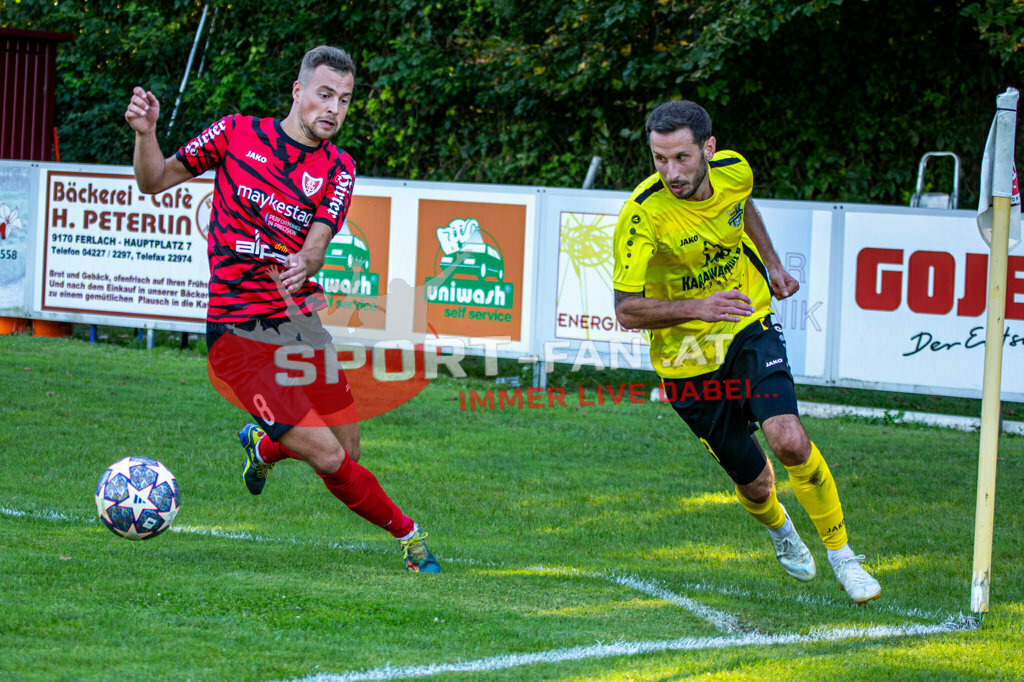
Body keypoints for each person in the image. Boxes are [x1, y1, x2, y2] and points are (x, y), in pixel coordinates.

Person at [124, 45, 440, 573]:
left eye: (343, 99)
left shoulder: (338, 167)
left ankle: (264, 448)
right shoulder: (235, 134)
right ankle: (410, 537)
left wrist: (306, 262)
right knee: (329, 459)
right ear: (297, 92)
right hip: (236, 336)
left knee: (349, 451)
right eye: (324, 95)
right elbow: (153, 179)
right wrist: (146, 134)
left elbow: (317, 243)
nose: (333, 109)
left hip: (299, 326)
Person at [612, 100, 879, 603]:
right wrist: (698, 306)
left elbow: (743, 205)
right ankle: (781, 530)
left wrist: (772, 264)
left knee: (790, 439)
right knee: (757, 485)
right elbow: (626, 310)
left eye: (683, 158)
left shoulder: (735, 171)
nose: (672, 172)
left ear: (708, 149)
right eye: (659, 159)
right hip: (686, 361)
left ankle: (844, 557)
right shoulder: (641, 215)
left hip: (746, 323)